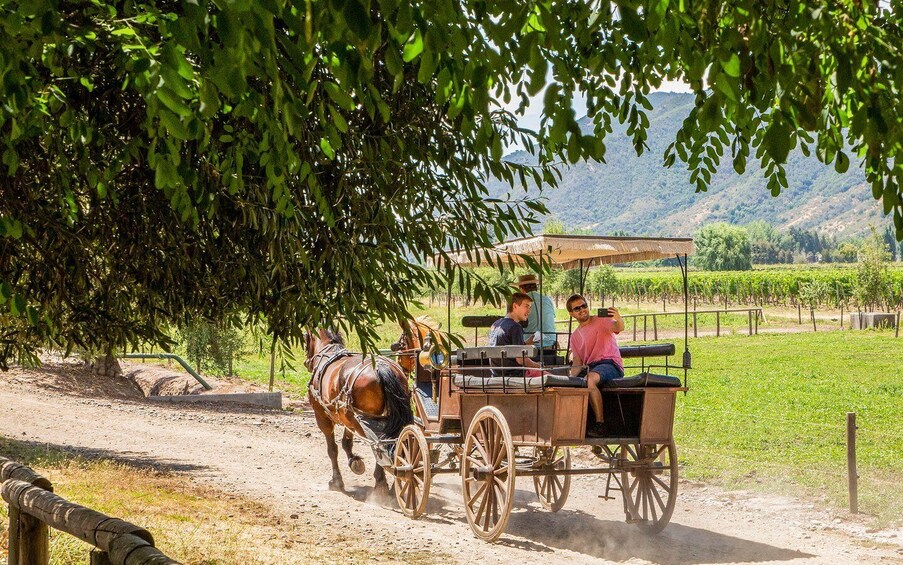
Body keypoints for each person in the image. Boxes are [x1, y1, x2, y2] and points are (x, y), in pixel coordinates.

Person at [566, 293, 625, 437]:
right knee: (571, 384)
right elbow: (578, 361)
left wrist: (617, 316)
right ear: (572, 314)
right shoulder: (575, 336)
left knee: (589, 380)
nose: (582, 310)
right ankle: (576, 424)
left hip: (610, 364)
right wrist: (568, 379)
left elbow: (619, 327)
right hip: (591, 367)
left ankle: (600, 424)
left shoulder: (601, 320)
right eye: (577, 308)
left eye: (584, 306)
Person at [487, 292, 541, 377]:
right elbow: (520, 359)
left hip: (496, 374)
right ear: (515, 306)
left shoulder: (495, 324)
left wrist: (526, 343)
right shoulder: (515, 327)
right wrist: (538, 366)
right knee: (549, 377)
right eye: (526, 306)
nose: (529, 311)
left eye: (530, 307)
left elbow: (506, 346)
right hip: (514, 375)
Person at [514, 274, 557, 357]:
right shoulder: (547, 300)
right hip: (550, 344)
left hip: (529, 347)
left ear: (521, 289)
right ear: (536, 287)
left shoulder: (520, 302)